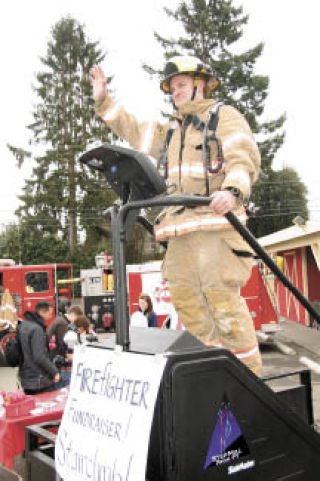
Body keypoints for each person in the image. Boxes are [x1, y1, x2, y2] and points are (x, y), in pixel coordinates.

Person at [89, 55, 262, 375]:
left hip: (215, 227)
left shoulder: (223, 116)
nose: (175, 92)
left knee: (221, 302)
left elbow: (242, 155)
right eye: (171, 88)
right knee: (185, 301)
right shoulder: (170, 132)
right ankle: (214, 371)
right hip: (180, 231)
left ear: (201, 84)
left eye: (181, 85)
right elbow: (132, 128)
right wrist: (104, 101)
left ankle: (250, 381)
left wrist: (233, 190)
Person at [19, 301, 69, 395]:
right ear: (42, 312)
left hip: (26, 378)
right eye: (49, 314)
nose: (50, 317)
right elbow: (39, 357)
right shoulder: (37, 329)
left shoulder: (23, 325)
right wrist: (54, 372)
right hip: (39, 379)